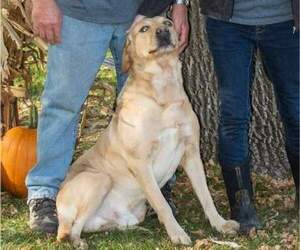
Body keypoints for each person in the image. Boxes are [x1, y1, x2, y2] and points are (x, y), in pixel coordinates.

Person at [26, 0, 189, 234]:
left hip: (144, 13)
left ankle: (157, 189)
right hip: (78, 15)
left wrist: (180, 4)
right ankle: (44, 194)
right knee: (62, 106)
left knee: (155, 109)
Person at [199, 0, 299, 234]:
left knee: (296, 111)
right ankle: (241, 206)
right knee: (233, 115)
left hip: (286, 21)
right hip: (227, 23)